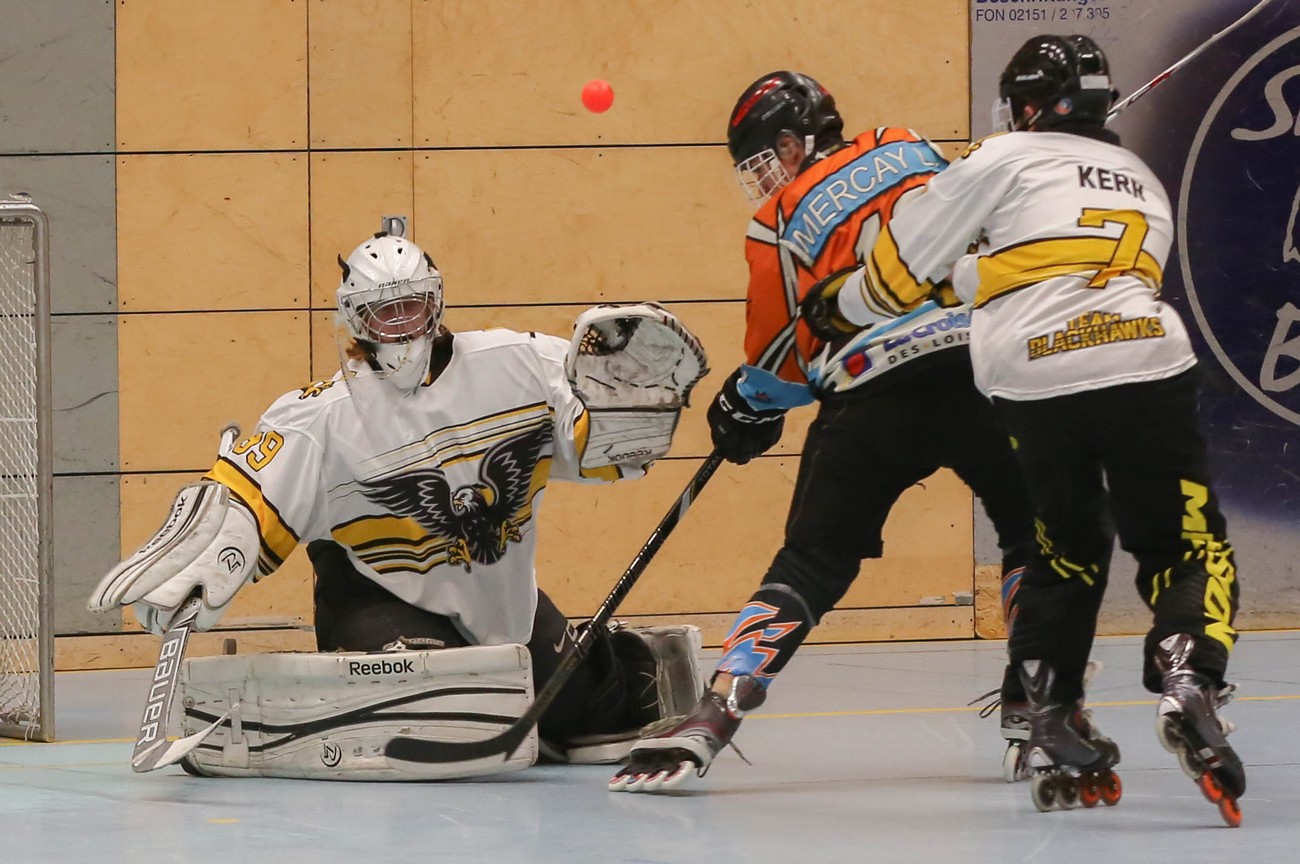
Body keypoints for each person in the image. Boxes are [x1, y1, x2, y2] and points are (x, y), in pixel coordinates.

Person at [801, 36, 1244, 824]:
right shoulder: (1142, 178)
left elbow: (900, 275)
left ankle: (1052, 708)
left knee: (1063, 551)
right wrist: (978, 263)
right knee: (1186, 546)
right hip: (1144, 362)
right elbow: (1070, 264)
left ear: (1026, 105)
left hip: (1035, 375)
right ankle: (1190, 676)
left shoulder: (999, 158)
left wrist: (838, 305)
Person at [89, 227, 709, 779]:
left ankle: (627, 661)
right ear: (356, 320)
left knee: (585, 717)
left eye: (412, 305)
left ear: (436, 303)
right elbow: (250, 496)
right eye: (384, 312)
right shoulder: (321, 416)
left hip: (498, 594)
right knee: (433, 699)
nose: (402, 324)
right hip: (377, 591)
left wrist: (627, 423)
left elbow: (595, 442)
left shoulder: (520, 363)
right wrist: (218, 551)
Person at [609, 71, 1038, 793]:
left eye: (761, 159)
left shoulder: (777, 216)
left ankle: (717, 710)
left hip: (872, 388)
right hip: (979, 367)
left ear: (791, 142)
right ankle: (1038, 696)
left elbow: (783, 354)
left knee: (810, 562)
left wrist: (748, 405)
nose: (761, 177)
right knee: (1035, 531)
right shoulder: (911, 146)